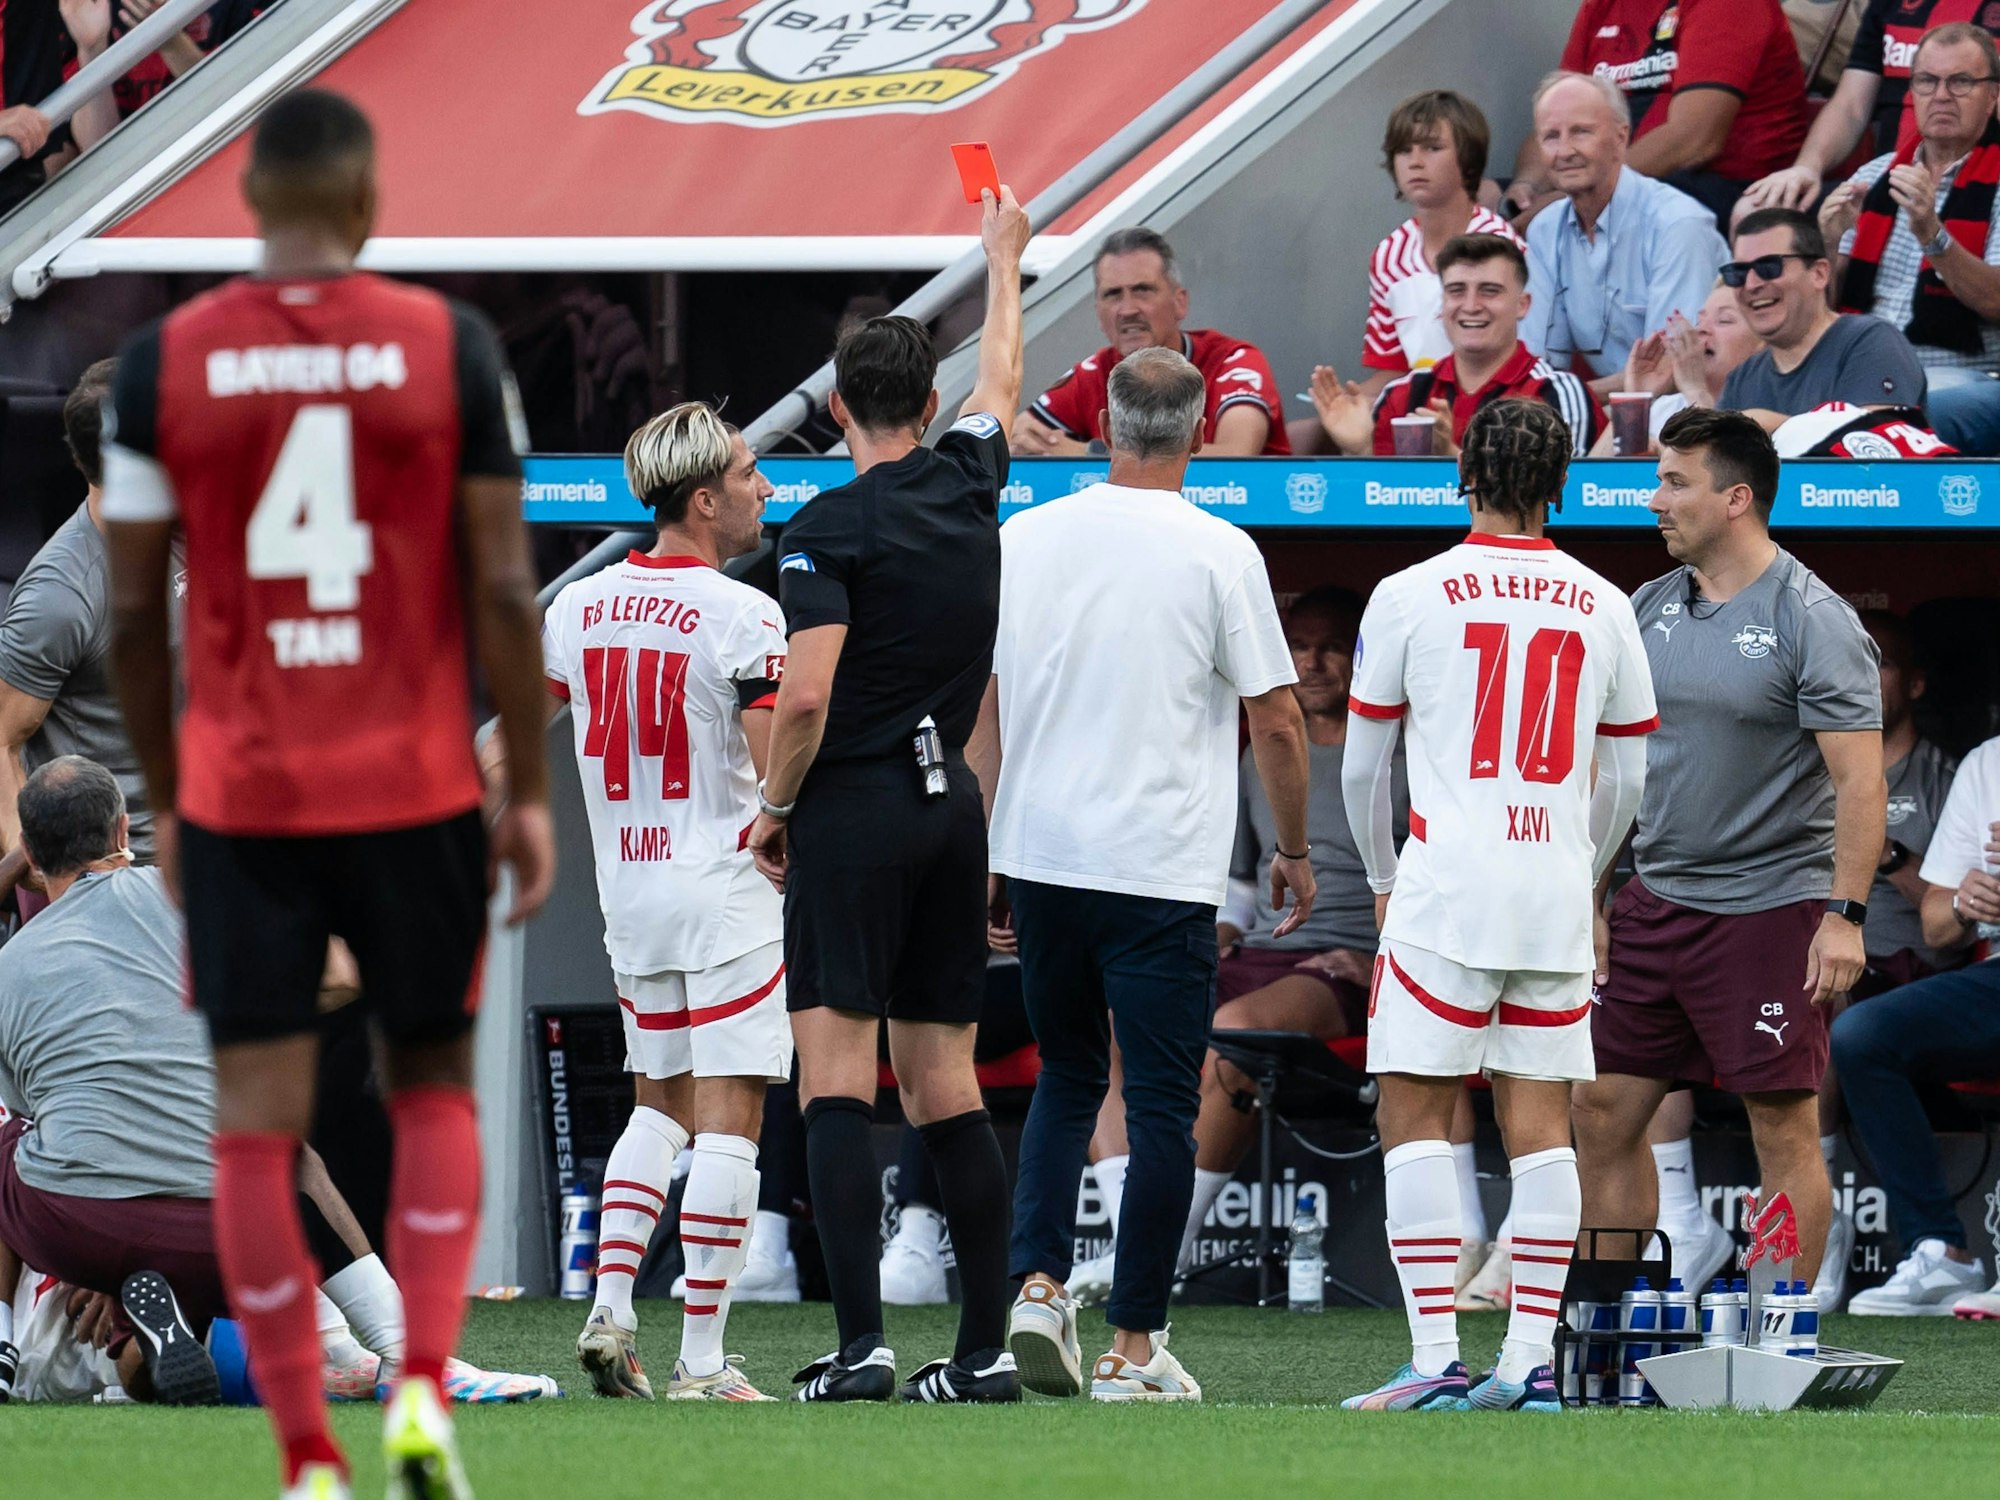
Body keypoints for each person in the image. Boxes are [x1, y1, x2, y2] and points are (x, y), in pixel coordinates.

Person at [101, 89, 553, 1500]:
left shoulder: (161, 363)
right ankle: (420, 1388)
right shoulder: (448, 347)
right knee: (429, 1092)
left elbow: (135, 617)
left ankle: (306, 1452)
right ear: (365, 204)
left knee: (255, 1119)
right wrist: (530, 796)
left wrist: (169, 800)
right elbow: (503, 589)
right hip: (411, 780)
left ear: (250, 203)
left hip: (244, 795)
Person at [983, 345, 1314, 1405]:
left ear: (1105, 426)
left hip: (1043, 856)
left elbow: (987, 705)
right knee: (1163, 1106)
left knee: (1067, 1077)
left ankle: (1038, 1287)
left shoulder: (1023, 537)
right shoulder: (1220, 549)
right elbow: (1276, 718)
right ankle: (1132, 1349)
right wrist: (1293, 849)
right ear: (1203, 430)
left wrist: (992, 844)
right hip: (1160, 869)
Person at [745, 185, 1030, 1406]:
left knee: (832, 1081)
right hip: (949, 810)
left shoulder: (824, 524)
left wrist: (773, 806)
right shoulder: (968, 482)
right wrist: (1003, 263)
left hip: (854, 810)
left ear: (836, 407)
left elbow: (805, 695)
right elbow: (1001, 381)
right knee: (943, 1087)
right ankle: (984, 1352)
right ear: (926, 406)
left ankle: (860, 1346)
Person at [1338, 399, 1656, 1414]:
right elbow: (1627, 779)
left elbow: (1361, 771)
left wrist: (1381, 879)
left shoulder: (1407, 592)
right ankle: (1525, 1365)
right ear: (1561, 482)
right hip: (1550, 887)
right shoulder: (1605, 602)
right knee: (1542, 1122)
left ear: (1461, 473)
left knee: (1414, 1110)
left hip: (1444, 884)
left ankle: (1436, 1358)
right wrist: (1586, 872)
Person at [1574, 408, 1885, 1293]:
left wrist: (1844, 917)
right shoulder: (1646, 607)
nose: (1655, 500)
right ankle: (1606, 1324)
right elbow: (1610, 768)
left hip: (1771, 909)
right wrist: (1593, 898)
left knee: (1780, 1126)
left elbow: (1861, 784)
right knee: (1598, 1110)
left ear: (1737, 499)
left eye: (1676, 483)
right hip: (1654, 901)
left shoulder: (1812, 617)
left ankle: (1775, 1332)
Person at [542, 402, 791, 1402]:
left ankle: (610, 1309)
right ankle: (702, 1360)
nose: (763, 487)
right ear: (703, 500)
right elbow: (774, 771)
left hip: (631, 891)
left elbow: (513, 734)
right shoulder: (744, 611)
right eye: (746, 472)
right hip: (725, 885)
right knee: (730, 1120)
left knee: (659, 1106)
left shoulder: (577, 606)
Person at [1061, 586, 1400, 1305]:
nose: (1312, 663)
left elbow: (1435, 874)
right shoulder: (1259, 758)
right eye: (1299, 647)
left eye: (1331, 648)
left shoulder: (1400, 755)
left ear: (1362, 656)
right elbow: (1242, 884)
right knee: (1112, 1018)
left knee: (1236, 1032)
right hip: (1258, 951)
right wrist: (1216, 934)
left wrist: (1382, 955)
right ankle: (1136, 1240)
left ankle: (1163, 1246)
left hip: (1342, 963)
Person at [1831, 735, 2000, 1317]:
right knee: (1862, 1035)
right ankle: (1940, 1250)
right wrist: (1965, 904)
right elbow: (1935, 924)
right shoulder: (1988, 762)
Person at [0, 359, 157, 907]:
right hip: (111, 878)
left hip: (199, 844)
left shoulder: (194, 534)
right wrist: (37, 868)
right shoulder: (61, 594)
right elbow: (1, 739)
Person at [1520, 72, 1728, 401]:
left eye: (1581, 132)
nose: (1565, 150)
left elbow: (1668, 371)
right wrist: (1547, 398)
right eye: (1551, 136)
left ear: (1621, 138)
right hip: (1614, 409)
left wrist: (1563, 398)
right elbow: (1540, 361)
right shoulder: (1544, 230)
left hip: (1697, 407)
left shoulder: (1678, 224)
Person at [1520, 0, 1807, 227]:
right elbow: (1555, 116)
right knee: (1498, 204)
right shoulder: (1601, 6)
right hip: (1619, 180)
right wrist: (1526, 188)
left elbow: (1695, 141)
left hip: (1719, 184)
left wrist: (1577, 197)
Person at [1820, 25, 2000, 384]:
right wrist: (1827, 241)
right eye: (1927, 81)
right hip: (1858, 363)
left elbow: (1996, 301)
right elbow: (1820, 311)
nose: (1941, 96)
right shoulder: (1873, 176)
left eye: (1961, 82)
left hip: (1957, 374)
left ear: (1993, 95)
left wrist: (1933, 236)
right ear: (1912, 91)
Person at [1315, 233, 1602, 457]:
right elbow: (1381, 501)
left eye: (1489, 291)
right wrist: (1362, 449)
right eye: (1456, 291)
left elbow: (1565, 501)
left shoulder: (1556, 392)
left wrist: (1450, 456)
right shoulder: (1403, 394)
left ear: (1523, 305)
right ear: (1442, 303)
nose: (1471, 306)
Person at [1012, 226, 1291, 457]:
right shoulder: (1094, 373)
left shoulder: (1232, 361)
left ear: (1179, 303)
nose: (1127, 310)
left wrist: (1091, 452)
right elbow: (1018, 436)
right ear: (1098, 313)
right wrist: (1027, 443)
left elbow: (1236, 456)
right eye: (1113, 295)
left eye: (1142, 291)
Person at [1741, 0, 1988, 215]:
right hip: (1889, 182)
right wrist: (1807, 168)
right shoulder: (1888, 4)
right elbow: (1851, 106)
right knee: (1754, 210)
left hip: (1977, 183)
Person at [1357, 91, 1527, 398]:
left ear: (1468, 158)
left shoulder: (1502, 246)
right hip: (1419, 409)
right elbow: (1394, 371)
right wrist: (1344, 403)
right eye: (1403, 150)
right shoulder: (1387, 256)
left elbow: (1525, 363)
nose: (1415, 162)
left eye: (1432, 148)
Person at [1719, 207, 1929, 422]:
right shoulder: (1742, 379)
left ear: (1819, 274)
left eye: (1769, 267)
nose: (1751, 284)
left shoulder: (1871, 341)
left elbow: (1877, 437)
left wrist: (1769, 425)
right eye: (1739, 272)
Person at [1588, 280, 1765, 453]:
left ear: (1764, 345)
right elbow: (1594, 470)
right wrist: (1636, 398)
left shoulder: (1767, 407)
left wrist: (1695, 390)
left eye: (1724, 320)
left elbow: (1717, 463)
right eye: (1699, 321)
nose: (1699, 330)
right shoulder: (1666, 408)